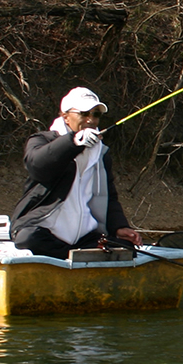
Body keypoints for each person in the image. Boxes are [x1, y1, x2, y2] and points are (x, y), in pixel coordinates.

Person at [11, 87, 142, 259]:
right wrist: (73, 142)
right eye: (84, 113)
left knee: (127, 248)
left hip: (83, 237)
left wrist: (119, 227)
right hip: (42, 231)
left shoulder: (101, 154)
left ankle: (77, 256)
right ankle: (76, 257)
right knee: (28, 239)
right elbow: (37, 165)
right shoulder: (41, 140)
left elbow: (108, 196)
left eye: (96, 114)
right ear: (65, 116)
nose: (91, 119)